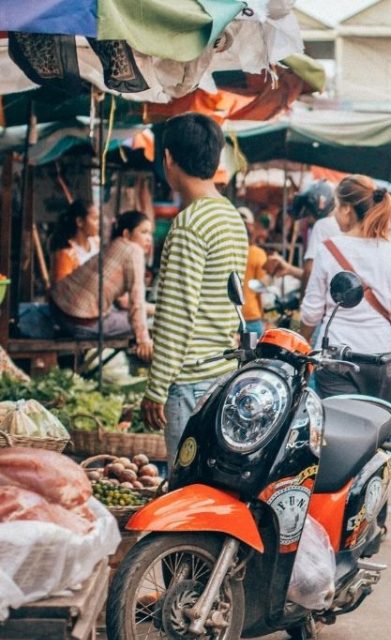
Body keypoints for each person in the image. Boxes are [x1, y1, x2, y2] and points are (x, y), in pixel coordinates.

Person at [141, 113, 249, 462]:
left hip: (189, 382)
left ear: (168, 158)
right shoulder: (230, 216)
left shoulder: (189, 225)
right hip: (221, 374)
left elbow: (176, 315)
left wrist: (156, 389)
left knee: (185, 496)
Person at [300, 175, 391, 404]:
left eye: (336, 207)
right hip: (382, 359)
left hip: (336, 359)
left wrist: (302, 352)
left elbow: (311, 312)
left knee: (338, 431)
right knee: (375, 431)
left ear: (345, 210)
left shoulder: (328, 249)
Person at [48, 210, 154, 360]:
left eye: (150, 233)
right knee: (150, 324)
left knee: (137, 318)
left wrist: (155, 309)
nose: (148, 238)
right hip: (78, 321)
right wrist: (143, 341)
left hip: (57, 310)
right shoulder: (133, 250)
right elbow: (136, 303)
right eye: (143, 232)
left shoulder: (115, 246)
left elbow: (124, 302)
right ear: (127, 234)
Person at [264, 181, 336, 290]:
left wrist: (303, 302)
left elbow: (309, 272)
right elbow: (317, 277)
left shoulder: (321, 226)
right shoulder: (338, 228)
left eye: (307, 215)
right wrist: (289, 269)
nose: (303, 222)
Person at [50, 200, 100, 283]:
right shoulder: (65, 255)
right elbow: (61, 290)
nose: (98, 223)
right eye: (95, 219)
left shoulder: (96, 243)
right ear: (79, 222)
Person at [238, 206, 269, 336]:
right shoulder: (258, 254)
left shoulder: (229, 252)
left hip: (231, 317)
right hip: (252, 316)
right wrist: (265, 317)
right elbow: (260, 290)